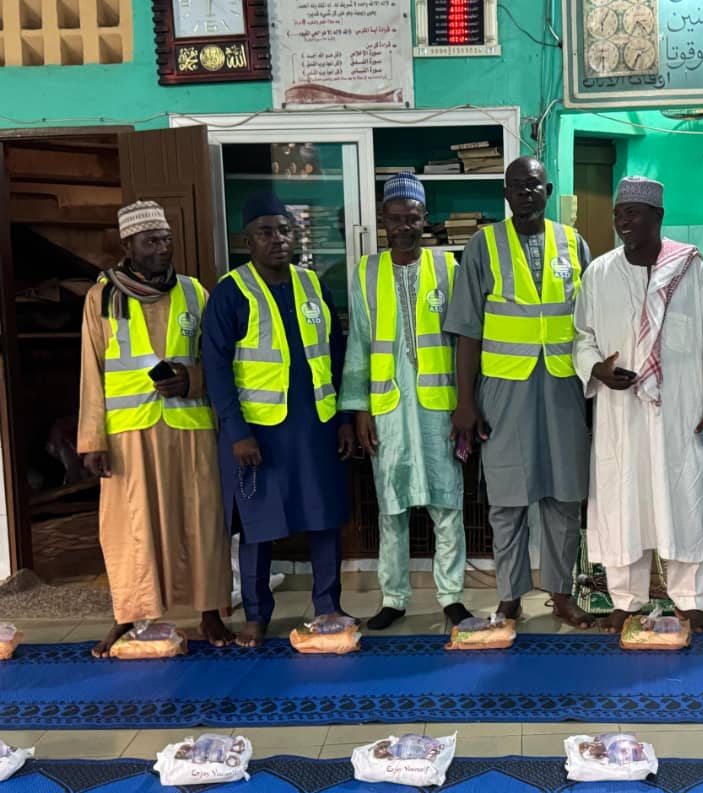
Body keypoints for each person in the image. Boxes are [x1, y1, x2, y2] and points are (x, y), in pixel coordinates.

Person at [572, 176, 703, 634]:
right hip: (620, 413)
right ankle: (625, 600)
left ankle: (690, 601)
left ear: (658, 217)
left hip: (680, 411)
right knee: (622, 502)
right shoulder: (599, 273)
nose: (623, 221)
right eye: (619, 213)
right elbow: (581, 337)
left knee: (685, 500)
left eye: (633, 213)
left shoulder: (691, 270)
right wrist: (597, 369)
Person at [444, 156, 594, 628]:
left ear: (548, 190)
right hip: (503, 389)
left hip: (563, 385)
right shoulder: (483, 245)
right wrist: (465, 402)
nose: (525, 192)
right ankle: (510, 595)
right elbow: (467, 330)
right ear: (506, 193)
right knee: (507, 498)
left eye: (533, 185)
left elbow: (591, 320)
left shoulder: (573, 242)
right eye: (516, 186)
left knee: (563, 496)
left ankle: (561, 592)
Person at [77, 200, 232, 657]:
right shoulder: (102, 298)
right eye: (151, 241)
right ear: (128, 246)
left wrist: (192, 380)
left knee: (202, 522)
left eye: (166, 240)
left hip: (189, 426)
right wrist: (92, 439)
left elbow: (218, 361)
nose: (162, 249)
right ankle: (129, 616)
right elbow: (91, 371)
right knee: (130, 528)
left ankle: (210, 612)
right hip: (128, 435)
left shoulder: (195, 293)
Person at [202, 191, 355, 647]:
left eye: (285, 230)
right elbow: (215, 368)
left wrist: (344, 418)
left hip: (317, 426)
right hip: (259, 434)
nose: (277, 239)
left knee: (324, 519)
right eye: (265, 232)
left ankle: (328, 606)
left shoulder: (313, 285)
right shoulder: (231, 291)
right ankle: (256, 615)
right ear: (247, 240)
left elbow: (336, 355)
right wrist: (237, 431)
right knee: (259, 526)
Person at [339, 173, 472, 629]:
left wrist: (466, 405)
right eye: (395, 218)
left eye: (412, 218)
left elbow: (464, 343)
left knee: (448, 505)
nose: (403, 226)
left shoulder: (448, 268)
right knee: (390, 507)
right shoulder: (366, 272)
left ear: (424, 219)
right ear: (383, 220)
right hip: (388, 409)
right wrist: (359, 409)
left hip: (439, 408)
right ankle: (393, 598)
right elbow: (358, 345)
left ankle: (451, 596)